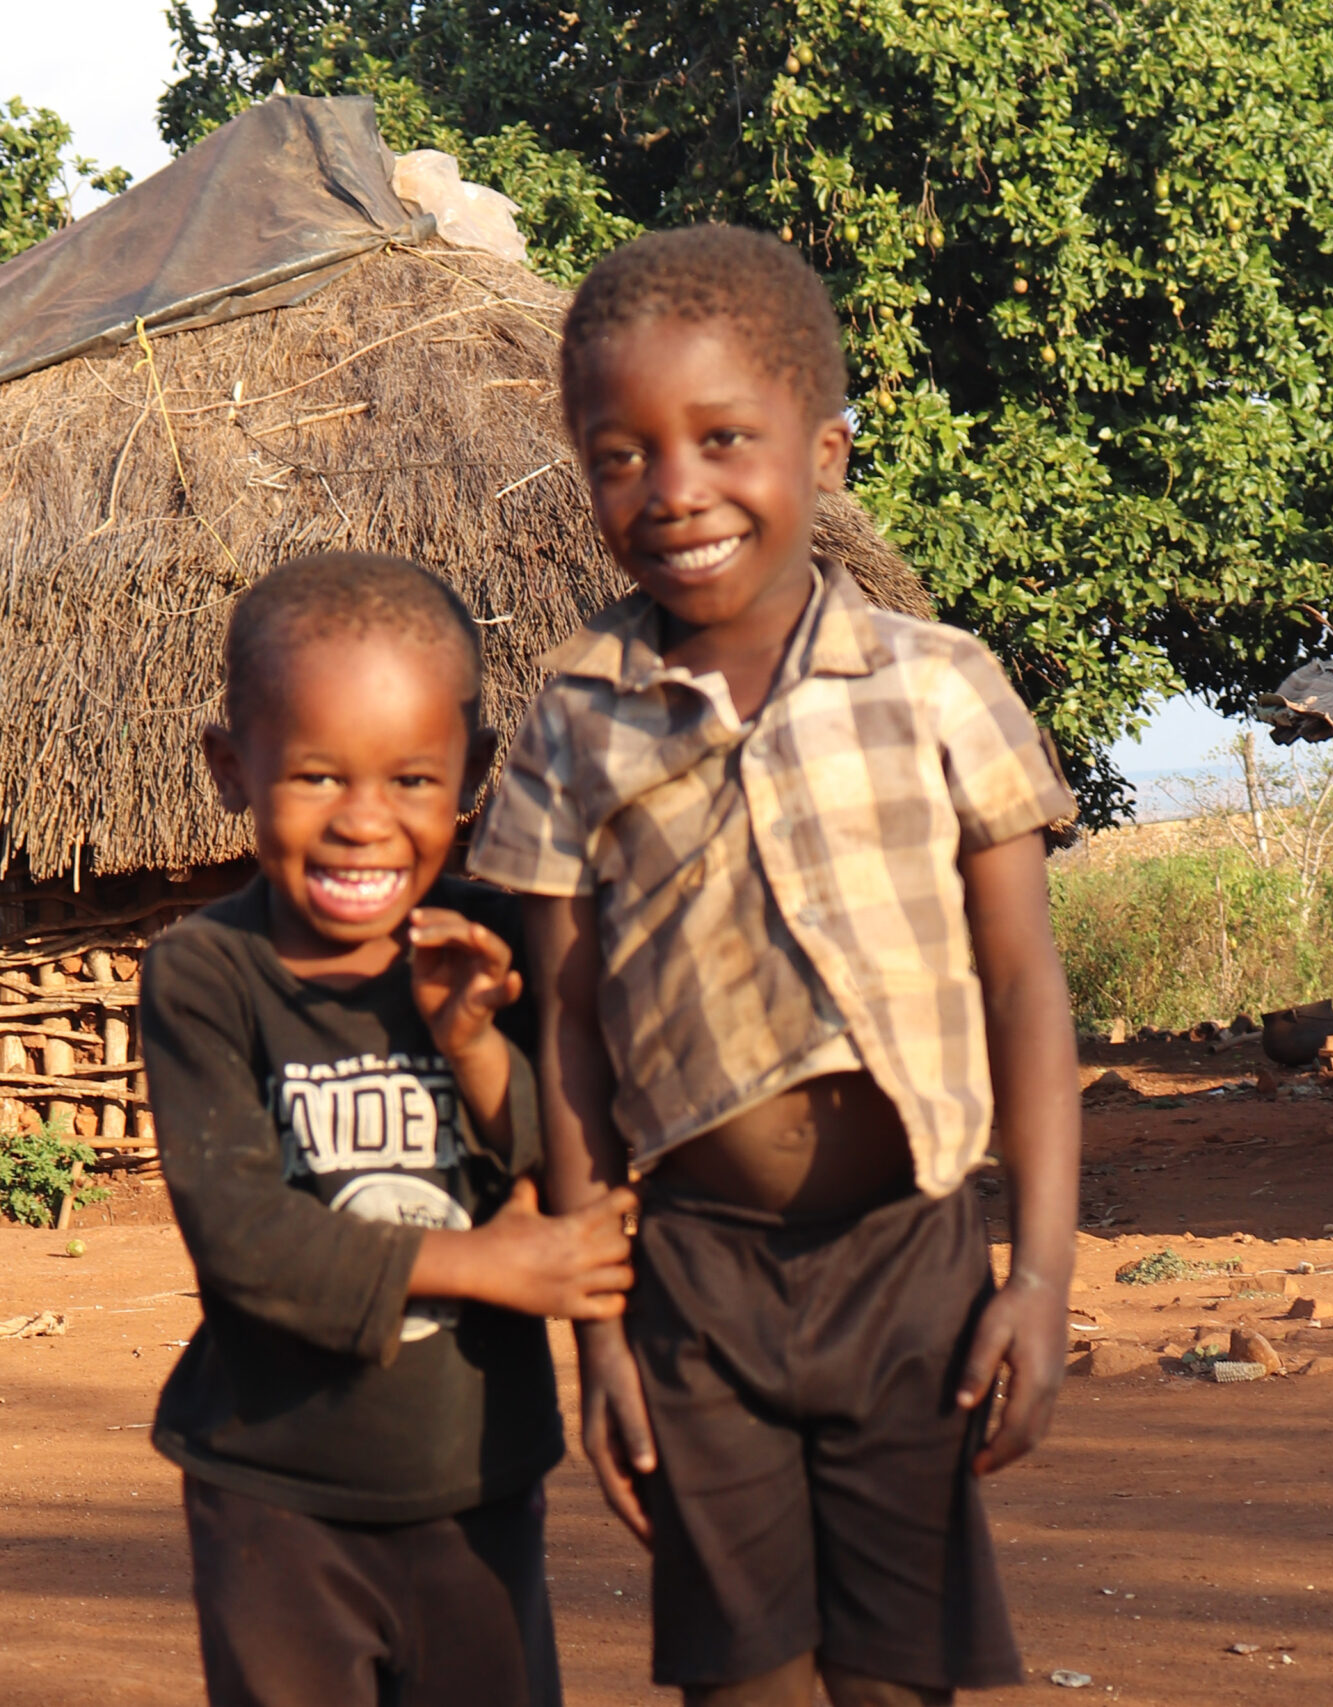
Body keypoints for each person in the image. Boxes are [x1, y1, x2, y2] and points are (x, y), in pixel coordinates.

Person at [471, 226, 1084, 1707]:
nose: (674, 490)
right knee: (740, 1683)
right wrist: (600, 1332)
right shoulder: (572, 718)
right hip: (693, 1281)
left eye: (722, 438)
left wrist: (1044, 1274)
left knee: (896, 1679)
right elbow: (568, 1037)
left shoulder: (939, 685)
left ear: (826, 446)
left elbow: (1022, 989)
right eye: (621, 454)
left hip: (914, 1264)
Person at [140, 550, 638, 1707]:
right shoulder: (206, 976)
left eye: (412, 780)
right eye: (317, 777)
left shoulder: (494, 943)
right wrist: (487, 1266)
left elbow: (560, 1163)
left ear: (467, 774)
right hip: (273, 1493)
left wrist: (472, 1046)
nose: (366, 824)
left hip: (476, 1478)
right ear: (231, 768)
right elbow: (245, 1236)